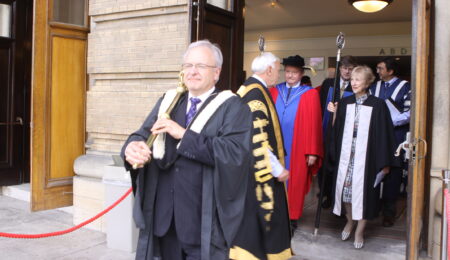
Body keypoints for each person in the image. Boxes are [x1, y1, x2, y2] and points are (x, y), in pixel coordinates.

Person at [121, 40, 253, 260]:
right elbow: (142, 134)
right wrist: (131, 147)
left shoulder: (233, 107)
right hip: (163, 218)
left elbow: (235, 153)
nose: (192, 71)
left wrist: (184, 135)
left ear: (216, 73)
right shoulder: (169, 101)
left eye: (201, 66)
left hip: (203, 222)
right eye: (188, 65)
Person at [231, 52, 292, 260]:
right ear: (269, 70)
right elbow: (257, 138)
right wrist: (277, 169)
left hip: (253, 168)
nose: (279, 74)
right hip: (260, 172)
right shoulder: (256, 94)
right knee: (263, 218)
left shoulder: (250, 88)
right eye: (277, 70)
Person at [328, 65, 396, 249]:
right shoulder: (345, 102)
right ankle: (350, 221)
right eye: (352, 79)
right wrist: (333, 114)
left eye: (358, 79)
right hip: (346, 156)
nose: (354, 82)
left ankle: (360, 230)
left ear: (367, 82)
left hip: (367, 158)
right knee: (347, 194)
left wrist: (384, 162)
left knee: (365, 194)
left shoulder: (378, 104)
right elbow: (336, 131)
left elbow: (384, 134)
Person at [269, 55, 323, 229]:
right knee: (273, 178)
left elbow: (314, 125)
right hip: (274, 145)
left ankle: (291, 218)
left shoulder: (310, 94)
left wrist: (313, 151)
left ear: (301, 74)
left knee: (295, 181)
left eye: (295, 73)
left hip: (298, 146)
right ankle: (273, 213)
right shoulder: (274, 91)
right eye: (288, 72)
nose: (291, 76)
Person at [370, 57, 411, 227]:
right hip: (377, 135)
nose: (377, 71)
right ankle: (374, 208)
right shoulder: (374, 87)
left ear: (390, 71)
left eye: (380, 68)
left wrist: (390, 121)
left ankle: (389, 212)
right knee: (375, 169)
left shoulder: (405, 87)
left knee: (393, 173)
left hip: (396, 136)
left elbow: (410, 112)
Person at [318, 56, 356, 208]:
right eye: (345, 68)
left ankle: (337, 197)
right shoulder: (328, 83)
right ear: (340, 69)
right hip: (326, 129)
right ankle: (325, 194)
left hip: (344, 131)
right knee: (325, 164)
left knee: (340, 165)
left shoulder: (354, 86)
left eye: (351, 68)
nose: (347, 71)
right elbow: (320, 104)